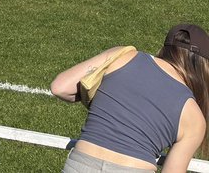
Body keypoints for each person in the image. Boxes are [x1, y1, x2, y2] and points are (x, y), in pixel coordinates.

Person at [51, 23, 209, 173]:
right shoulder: (194, 118)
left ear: (165, 48)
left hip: (80, 164)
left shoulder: (123, 56)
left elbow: (60, 87)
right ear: (203, 68)